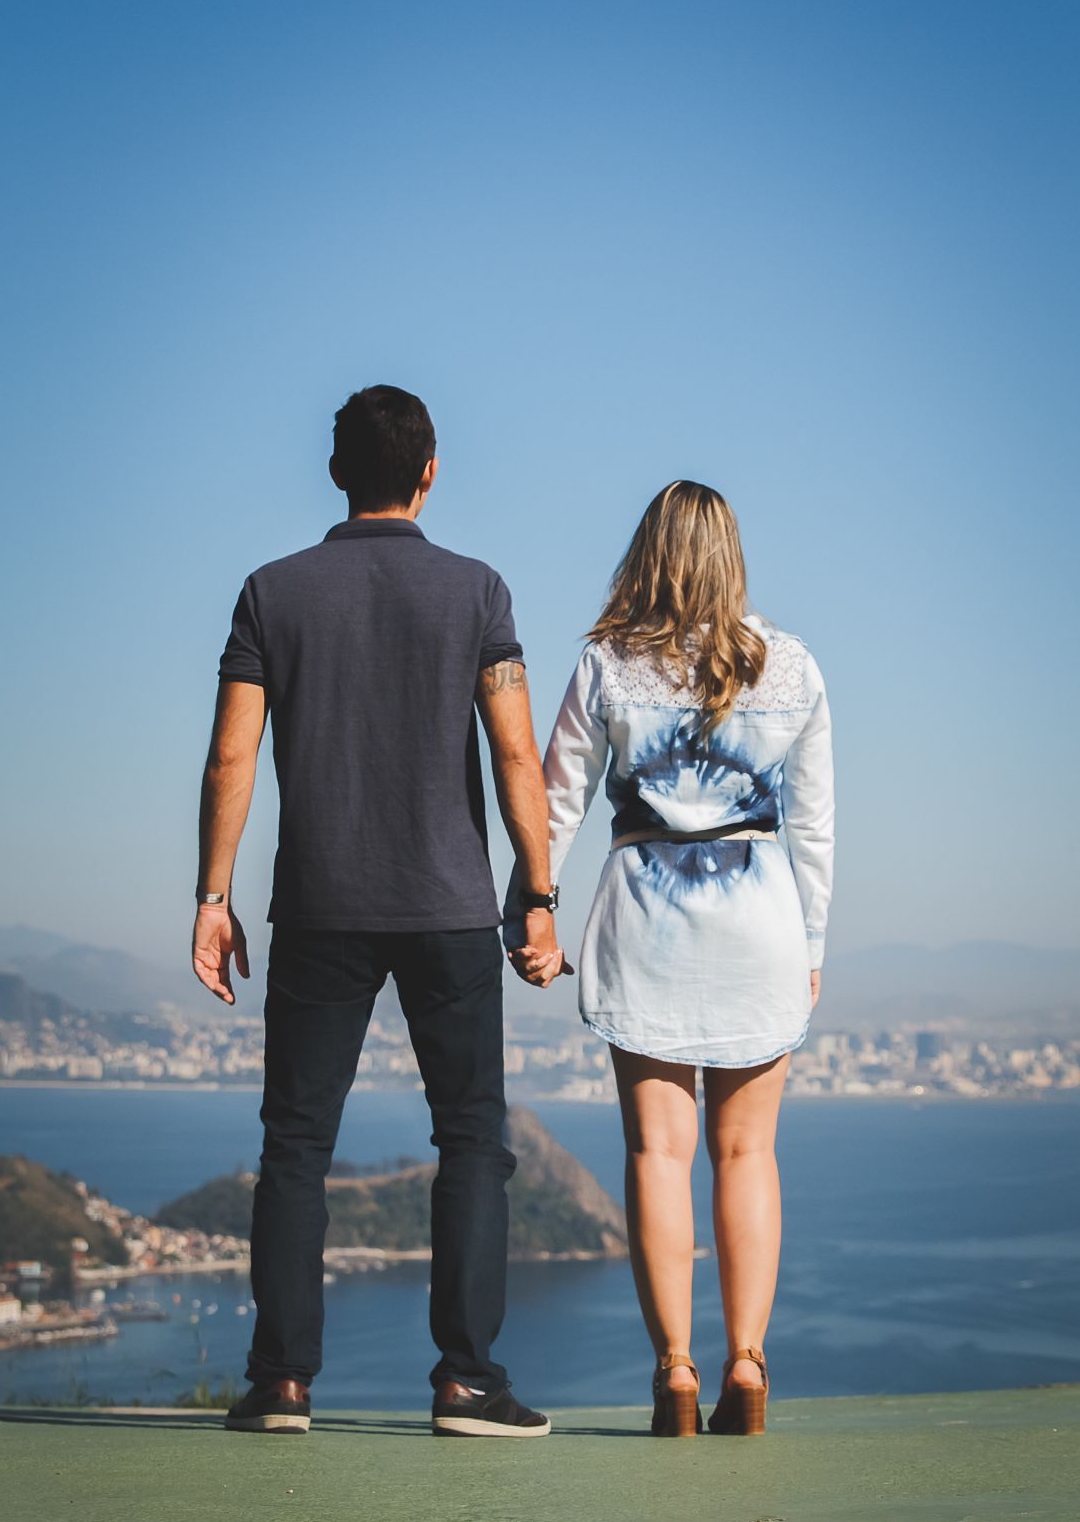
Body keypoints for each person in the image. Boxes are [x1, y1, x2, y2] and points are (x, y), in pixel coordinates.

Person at [193, 385, 558, 1437]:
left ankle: (282, 1385)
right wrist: (534, 898)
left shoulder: (271, 591)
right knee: (471, 1138)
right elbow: (516, 754)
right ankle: (465, 1381)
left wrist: (212, 898)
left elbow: (231, 754)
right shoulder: (477, 591)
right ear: (430, 470)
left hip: (317, 904)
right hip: (449, 907)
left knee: (296, 1144)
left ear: (335, 471)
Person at [506, 480, 834, 1436]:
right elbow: (813, 830)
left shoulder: (606, 664)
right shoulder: (796, 667)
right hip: (760, 919)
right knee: (749, 1152)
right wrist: (810, 946)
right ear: (732, 556)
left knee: (657, 1151)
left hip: (644, 915)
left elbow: (553, 800)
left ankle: (677, 1374)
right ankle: (747, 1360)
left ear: (647, 552)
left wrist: (531, 914)